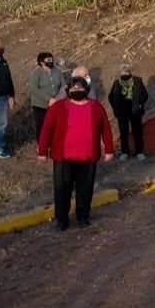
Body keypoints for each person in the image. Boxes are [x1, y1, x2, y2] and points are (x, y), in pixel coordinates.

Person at [37, 77, 115, 231]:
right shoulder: (58, 108)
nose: (77, 90)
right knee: (62, 190)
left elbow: (105, 129)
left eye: (80, 88)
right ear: (68, 91)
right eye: (73, 88)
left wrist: (109, 150)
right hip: (63, 157)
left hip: (87, 157)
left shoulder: (96, 107)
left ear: (86, 90)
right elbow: (46, 130)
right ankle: (62, 221)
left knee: (85, 189)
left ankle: (83, 217)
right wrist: (42, 151)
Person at [108, 64, 149, 161]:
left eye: (126, 72)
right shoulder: (116, 83)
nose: (125, 74)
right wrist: (115, 108)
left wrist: (140, 104)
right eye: (123, 72)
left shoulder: (137, 81)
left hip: (135, 110)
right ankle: (124, 152)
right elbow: (111, 97)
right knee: (123, 132)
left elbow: (144, 94)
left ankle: (139, 152)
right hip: (122, 111)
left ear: (130, 73)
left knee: (137, 131)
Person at [30, 52, 68, 141]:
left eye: (51, 59)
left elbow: (64, 85)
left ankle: (53, 143)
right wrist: (48, 99)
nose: (51, 61)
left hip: (56, 103)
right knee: (41, 124)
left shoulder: (57, 71)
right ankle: (41, 144)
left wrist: (57, 98)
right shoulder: (37, 73)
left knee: (55, 124)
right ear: (42, 62)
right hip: (40, 104)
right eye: (48, 60)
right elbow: (34, 88)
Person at [0, 37, 16, 159]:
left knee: (1, 124)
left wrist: (11, 95)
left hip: (3, 98)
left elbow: (9, 79)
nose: (2, 50)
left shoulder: (3, 62)